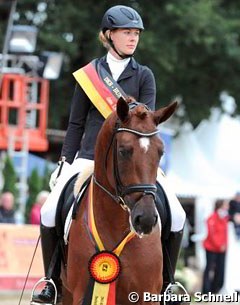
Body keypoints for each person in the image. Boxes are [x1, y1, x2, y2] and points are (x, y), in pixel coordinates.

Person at [33, 5, 186, 304]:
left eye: (136, 34)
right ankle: (51, 281)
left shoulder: (144, 75)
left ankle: (168, 284)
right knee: (50, 210)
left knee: (177, 215)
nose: (133, 39)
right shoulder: (88, 76)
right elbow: (76, 123)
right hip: (90, 157)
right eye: (127, 33)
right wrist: (65, 161)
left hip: (135, 158)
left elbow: (146, 119)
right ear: (109, 35)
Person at [202, 199, 229, 294]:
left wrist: (224, 245)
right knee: (209, 269)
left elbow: (225, 234)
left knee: (220, 270)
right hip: (211, 248)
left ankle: (215, 290)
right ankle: (205, 291)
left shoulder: (224, 218)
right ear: (220, 206)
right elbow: (212, 235)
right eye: (225, 205)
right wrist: (219, 245)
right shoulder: (211, 218)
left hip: (222, 249)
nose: (227, 207)